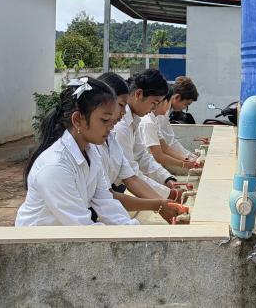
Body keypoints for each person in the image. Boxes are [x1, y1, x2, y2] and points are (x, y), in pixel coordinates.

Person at [16, 77, 137, 226]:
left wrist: (132, 229)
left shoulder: (92, 153)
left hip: (66, 235)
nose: (111, 126)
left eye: (111, 120)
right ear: (78, 119)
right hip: (37, 239)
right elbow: (81, 226)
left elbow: (107, 203)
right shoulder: (55, 167)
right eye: (105, 120)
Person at [97, 73, 184, 222]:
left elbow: (133, 170)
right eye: (120, 105)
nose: (122, 112)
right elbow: (108, 195)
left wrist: (165, 196)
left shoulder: (120, 130)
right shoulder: (120, 128)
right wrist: (163, 200)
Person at [114, 69, 181, 201]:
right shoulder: (121, 125)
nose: (154, 108)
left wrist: (167, 179)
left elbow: (142, 156)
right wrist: (168, 195)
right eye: (154, 103)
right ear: (139, 94)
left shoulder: (134, 120)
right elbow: (130, 175)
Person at [140, 87, 198, 175]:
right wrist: (184, 163)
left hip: (153, 166)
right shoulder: (149, 122)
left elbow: (166, 148)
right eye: (169, 102)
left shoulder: (154, 120)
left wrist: (187, 159)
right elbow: (159, 156)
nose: (169, 108)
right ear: (162, 101)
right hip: (147, 168)